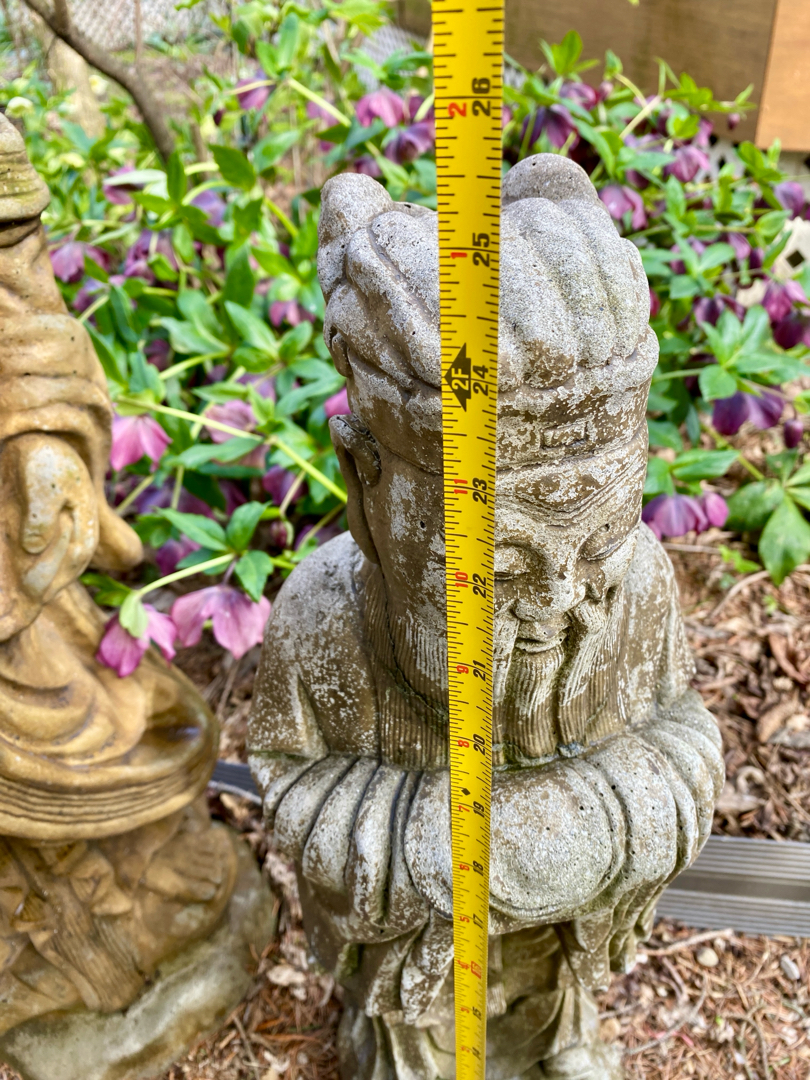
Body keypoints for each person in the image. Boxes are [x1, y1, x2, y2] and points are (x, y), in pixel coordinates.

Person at [248, 154, 723, 1079]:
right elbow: (288, 783)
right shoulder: (323, 617)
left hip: (564, 930)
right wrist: (434, 841)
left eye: (599, 543)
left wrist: (605, 816)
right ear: (366, 483)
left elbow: (683, 729)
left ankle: (560, 1036)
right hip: (418, 952)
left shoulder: (641, 590)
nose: (558, 602)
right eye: (495, 572)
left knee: (557, 1015)